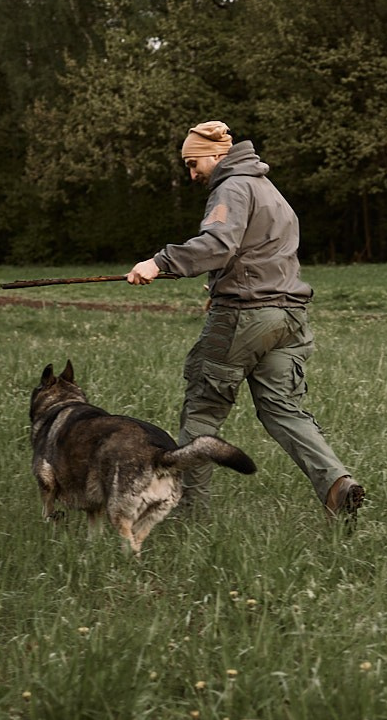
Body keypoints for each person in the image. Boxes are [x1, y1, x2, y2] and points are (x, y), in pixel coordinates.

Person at [127, 120, 364, 520]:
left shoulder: (232, 187)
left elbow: (219, 244)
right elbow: (259, 253)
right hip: (288, 317)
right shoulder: (268, 189)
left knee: (202, 410)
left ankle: (191, 518)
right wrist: (220, 282)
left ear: (216, 156)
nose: (191, 174)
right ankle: (336, 482)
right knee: (282, 408)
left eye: (193, 163)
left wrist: (159, 262)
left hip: (246, 317)